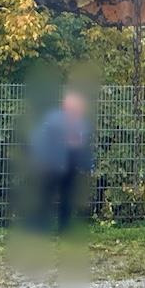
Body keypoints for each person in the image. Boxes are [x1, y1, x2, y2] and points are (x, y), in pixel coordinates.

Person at [29, 88, 95, 233]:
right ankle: (41, 227)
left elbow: (83, 145)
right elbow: (42, 139)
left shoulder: (81, 123)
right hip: (51, 164)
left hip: (70, 165)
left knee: (67, 197)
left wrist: (88, 164)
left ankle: (63, 229)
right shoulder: (53, 119)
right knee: (46, 196)